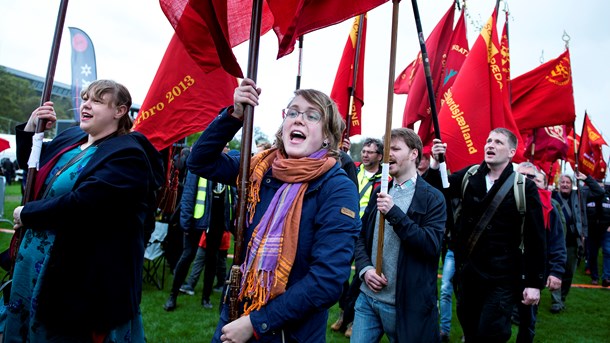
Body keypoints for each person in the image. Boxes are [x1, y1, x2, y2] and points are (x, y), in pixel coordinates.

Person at [187, 78, 361, 342]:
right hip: (235, 312)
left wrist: (256, 323)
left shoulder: (337, 188)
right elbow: (200, 161)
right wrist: (234, 116)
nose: (299, 119)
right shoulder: (259, 167)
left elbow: (327, 280)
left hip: (288, 332)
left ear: (328, 136)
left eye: (312, 116)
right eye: (292, 112)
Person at [5, 80, 164, 342]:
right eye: (86, 98)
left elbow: (83, 204)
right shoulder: (72, 138)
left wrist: (26, 213)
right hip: (33, 259)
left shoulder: (129, 155)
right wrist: (32, 130)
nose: (86, 105)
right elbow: (34, 167)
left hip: (76, 270)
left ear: (120, 111)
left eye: (98, 101)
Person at [428, 128, 547, 342]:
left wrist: (534, 283)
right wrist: (436, 165)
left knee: (491, 333)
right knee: (471, 331)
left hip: (502, 277)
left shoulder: (524, 187)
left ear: (511, 152)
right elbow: (436, 194)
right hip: (468, 275)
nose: (490, 145)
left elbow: (535, 238)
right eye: (489, 140)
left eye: (498, 142)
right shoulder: (470, 175)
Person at [352, 128, 446, 342]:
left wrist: (394, 213)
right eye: (386, 149)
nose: (388, 155)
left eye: (395, 149)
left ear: (414, 154)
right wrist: (365, 269)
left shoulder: (432, 198)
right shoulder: (380, 191)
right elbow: (359, 236)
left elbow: (430, 245)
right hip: (367, 300)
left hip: (405, 305)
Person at [164, 162, 236, 311]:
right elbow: (189, 194)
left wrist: (229, 222)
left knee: (212, 261)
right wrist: (186, 222)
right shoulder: (200, 162)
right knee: (187, 256)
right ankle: (173, 296)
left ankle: (206, 298)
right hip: (197, 223)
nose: (226, 146)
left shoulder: (226, 166)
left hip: (217, 224)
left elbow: (231, 196)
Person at [330, 137, 383, 337]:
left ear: (379, 156)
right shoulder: (354, 169)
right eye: (364, 151)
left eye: (370, 152)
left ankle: (352, 318)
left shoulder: (383, 178)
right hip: (346, 229)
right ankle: (344, 312)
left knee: (358, 278)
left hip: (365, 235)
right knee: (339, 274)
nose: (365, 154)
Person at [514, 163, 567, 343]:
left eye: (532, 178)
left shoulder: (549, 207)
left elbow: (557, 241)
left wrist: (556, 271)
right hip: (503, 271)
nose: (527, 181)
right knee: (496, 323)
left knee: (527, 323)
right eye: (523, 176)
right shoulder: (504, 198)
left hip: (531, 274)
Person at [550, 172, 604, 313]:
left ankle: (562, 297)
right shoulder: (553, 196)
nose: (565, 185)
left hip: (574, 241)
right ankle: (556, 301)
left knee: (568, 272)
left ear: (572, 184)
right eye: (562, 182)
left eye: (568, 182)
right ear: (559, 184)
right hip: (556, 241)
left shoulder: (580, 195)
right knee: (557, 271)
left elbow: (599, 191)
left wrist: (586, 178)